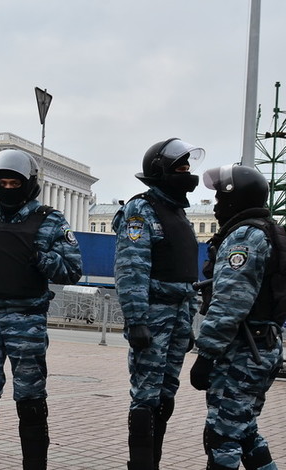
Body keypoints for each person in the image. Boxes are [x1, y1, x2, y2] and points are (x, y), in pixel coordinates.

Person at [0, 149, 82, 470]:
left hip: (27, 321)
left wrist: (40, 258)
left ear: (29, 184)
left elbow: (72, 269)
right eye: (3, 182)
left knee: (30, 397)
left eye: (15, 182)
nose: (8, 188)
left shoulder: (50, 221)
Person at [111, 138, 205, 470]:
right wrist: (136, 319)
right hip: (153, 316)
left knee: (165, 397)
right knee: (146, 398)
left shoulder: (178, 213)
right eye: (180, 169)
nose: (187, 174)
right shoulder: (142, 209)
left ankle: (154, 461)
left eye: (188, 168)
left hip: (177, 317)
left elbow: (186, 275)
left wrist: (188, 320)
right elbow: (131, 268)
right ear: (160, 172)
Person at [190, 164, 286, 470]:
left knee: (222, 437)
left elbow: (231, 301)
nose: (216, 206)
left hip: (243, 352)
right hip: (261, 347)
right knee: (244, 432)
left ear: (236, 199)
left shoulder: (244, 236)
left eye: (220, 198)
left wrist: (205, 354)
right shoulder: (266, 231)